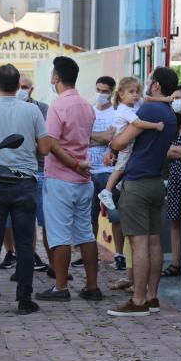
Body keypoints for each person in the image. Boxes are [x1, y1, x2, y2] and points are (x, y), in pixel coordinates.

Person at [0, 64, 50, 316]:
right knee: (26, 244)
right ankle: (24, 300)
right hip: (24, 182)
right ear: (18, 86)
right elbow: (45, 149)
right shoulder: (32, 110)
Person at [107, 67, 178, 317]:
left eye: (149, 83)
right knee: (154, 241)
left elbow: (120, 142)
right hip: (157, 181)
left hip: (137, 183)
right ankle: (152, 296)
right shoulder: (170, 114)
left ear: (156, 86)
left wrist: (112, 142)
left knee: (138, 243)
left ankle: (137, 301)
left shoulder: (149, 110)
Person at [36, 56, 101, 303]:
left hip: (61, 179)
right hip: (84, 180)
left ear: (56, 78)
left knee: (59, 234)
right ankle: (92, 286)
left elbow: (50, 143)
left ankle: (61, 287)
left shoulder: (57, 106)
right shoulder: (86, 105)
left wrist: (73, 163)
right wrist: (78, 165)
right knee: (86, 233)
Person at [72, 76, 127, 271]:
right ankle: (90, 255)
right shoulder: (89, 111)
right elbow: (80, 138)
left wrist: (95, 138)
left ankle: (119, 255)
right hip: (88, 171)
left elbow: (113, 138)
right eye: (98, 90)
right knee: (89, 217)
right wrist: (102, 138)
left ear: (112, 93)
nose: (101, 94)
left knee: (115, 215)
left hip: (109, 172)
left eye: (105, 91)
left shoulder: (116, 113)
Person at [3, 75, 50, 276]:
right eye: (19, 86)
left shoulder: (41, 109)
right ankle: (24, 261)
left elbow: (45, 144)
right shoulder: (5, 109)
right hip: (12, 172)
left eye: (25, 87)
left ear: (31, 90)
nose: (22, 90)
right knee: (18, 223)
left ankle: (53, 264)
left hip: (37, 171)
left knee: (43, 222)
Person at [97, 77, 165, 210]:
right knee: (120, 167)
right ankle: (106, 192)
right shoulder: (124, 109)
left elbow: (146, 99)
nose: (135, 95)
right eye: (131, 92)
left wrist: (166, 99)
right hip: (123, 145)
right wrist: (156, 125)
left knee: (129, 164)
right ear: (121, 94)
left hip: (126, 144)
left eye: (137, 91)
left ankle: (119, 184)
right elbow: (138, 123)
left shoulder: (134, 104)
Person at [162, 84, 181, 278]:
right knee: (175, 221)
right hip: (175, 177)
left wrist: (177, 151)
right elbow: (166, 151)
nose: (174, 102)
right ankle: (176, 263)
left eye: (177, 97)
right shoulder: (174, 122)